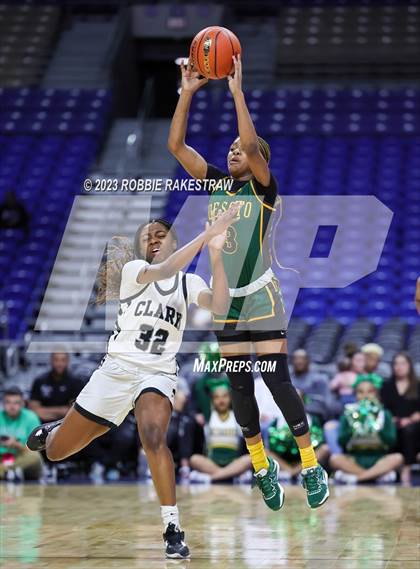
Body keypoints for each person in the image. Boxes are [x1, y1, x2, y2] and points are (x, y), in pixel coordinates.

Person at [27, 207, 237, 559]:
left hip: (156, 372)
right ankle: (55, 430)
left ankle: (172, 527)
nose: (154, 240)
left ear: (174, 241)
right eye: (147, 237)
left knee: (153, 436)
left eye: (161, 235)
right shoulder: (134, 271)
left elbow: (220, 305)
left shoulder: (189, 282)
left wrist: (215, 253)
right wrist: (208, 235)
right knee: (58, 451)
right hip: (115, 370)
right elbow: (165, 269)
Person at [168, 55, 329, 510]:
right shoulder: (217, 185)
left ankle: (311, 464)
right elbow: (177, 146)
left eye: (242, 147)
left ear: (258, 158)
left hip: (261, 294)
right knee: (239, 387)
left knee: (276, 380)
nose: (233, 151)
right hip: (226, 301)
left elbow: (254, 150)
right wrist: (187, 93)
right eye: (232, 147)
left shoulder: (263, 188)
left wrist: (237, 92)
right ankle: (262, 467)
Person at [330, 374, 403, 484]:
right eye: (360, 392)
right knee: (334, 459)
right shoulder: (348, 414)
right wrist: (354, 425)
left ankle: (357, 478)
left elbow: (391, 441)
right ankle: (375, 476)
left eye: (370, 391)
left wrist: (377, 425)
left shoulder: (384, 414)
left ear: (377, 395)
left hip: (379, 459)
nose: (365, 395)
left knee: (398, 458)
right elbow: (341, 441)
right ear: (355, 395)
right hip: (354, 459)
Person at [189, 381, 251, 483]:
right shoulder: (208, 416)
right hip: (212, 463)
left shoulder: (237, 417)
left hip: (233, 462)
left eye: (225, 396)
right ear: (212, 400)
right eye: (216, 397)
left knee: (249, 459)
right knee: (194, 459)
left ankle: (211, 478)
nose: (221, 400)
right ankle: (230, 475)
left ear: (231, 398)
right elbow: (200, 387)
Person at [268, 390, 330, 481]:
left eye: (296, 401)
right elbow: (271, 445)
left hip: (306, 458)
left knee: (325, 449)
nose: (293, 405)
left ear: (303, 402)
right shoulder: (277, 421)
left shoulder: (313, 419)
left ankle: (297, 471)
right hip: (283, 458)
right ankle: (289, 471)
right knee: (265, 451)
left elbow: (320, 441)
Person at [381, 352, 420, 485]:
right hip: (393, 424)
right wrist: (393, 419)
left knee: (408, 430)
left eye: (403, 363)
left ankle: (406, 469)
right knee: (396, 430)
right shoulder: (387, 386)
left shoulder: (418, 385)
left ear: (409, 366)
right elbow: (383, 409)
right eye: (396, 364)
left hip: (415, 426)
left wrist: (412, 418)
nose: (399, 367)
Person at [0, 387, 42, 481]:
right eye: (8, 402)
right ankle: (11, 473)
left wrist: (16, 445)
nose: (12, 406)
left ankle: (5, 472)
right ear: (3, 403)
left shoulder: (31, 418)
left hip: (21, 457)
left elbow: (37, 448)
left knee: (35, 457)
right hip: (1, 457)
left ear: (23, 403)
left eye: (16, 403)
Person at [28, 352, 84, 422]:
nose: (59, 364)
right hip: (43, 425)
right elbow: (34, 411)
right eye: (56, 360)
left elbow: (74, 412)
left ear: (68, 361)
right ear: (51, 361)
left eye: (63, 360)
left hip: (67, 424)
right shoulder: (39, 381)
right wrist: (62, 410)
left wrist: (45, 411)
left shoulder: (76, 382)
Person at [290, 349, 341, 421]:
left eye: (302, 359)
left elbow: (328, 402)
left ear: (308, 361)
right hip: (291, 415)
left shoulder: (319, 379)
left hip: (315, 414)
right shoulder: (289, 380)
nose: (299, 361)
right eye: (296, 359)